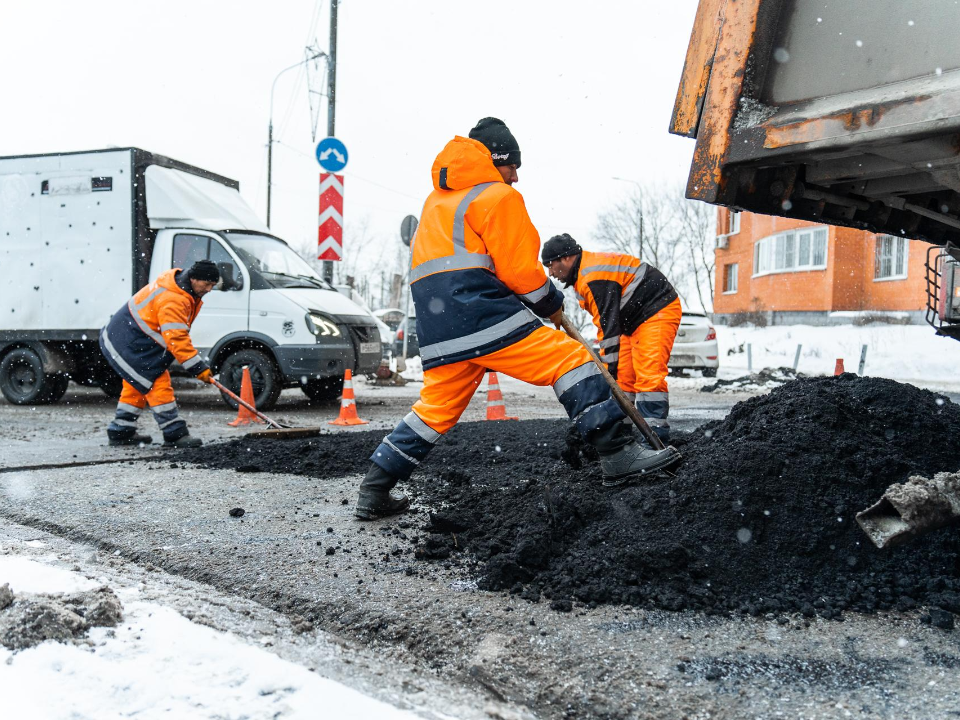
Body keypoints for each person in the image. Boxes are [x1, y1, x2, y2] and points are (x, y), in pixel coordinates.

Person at [355, 118, 679, 520]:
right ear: (496, 160)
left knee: (434, 408)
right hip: (479, 312)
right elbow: (521, 273)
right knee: (572, 360)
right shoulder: (497, 196)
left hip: (439, 326)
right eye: (513, 166)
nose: (517, 176)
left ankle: (374, 488)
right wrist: (551, 305)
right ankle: (618, 455)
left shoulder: (435, 202)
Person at [541, 234, 682, 441]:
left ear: (567, 258)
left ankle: (655, 439)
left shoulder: (592, 276)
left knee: (648, 376)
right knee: (623, 380)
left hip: (657, 310)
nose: (551, 273)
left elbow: (607, 329)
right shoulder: (585, 275)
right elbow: (609, 327)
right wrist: (613, 371)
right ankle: (622, 438)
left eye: (551, 265)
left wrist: (608, 369)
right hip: (631, 322)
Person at [99, 260, 220, 448]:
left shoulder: (182, 287)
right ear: (194, 279)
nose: (209, 289)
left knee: (137, 384)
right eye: (207, 284)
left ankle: (120, 431)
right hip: (130, 341)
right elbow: (176, 337)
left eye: (213, 285)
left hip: (127, 337)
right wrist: (198, 368)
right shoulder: (174, 298)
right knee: (157, 382)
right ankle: (174, 433)